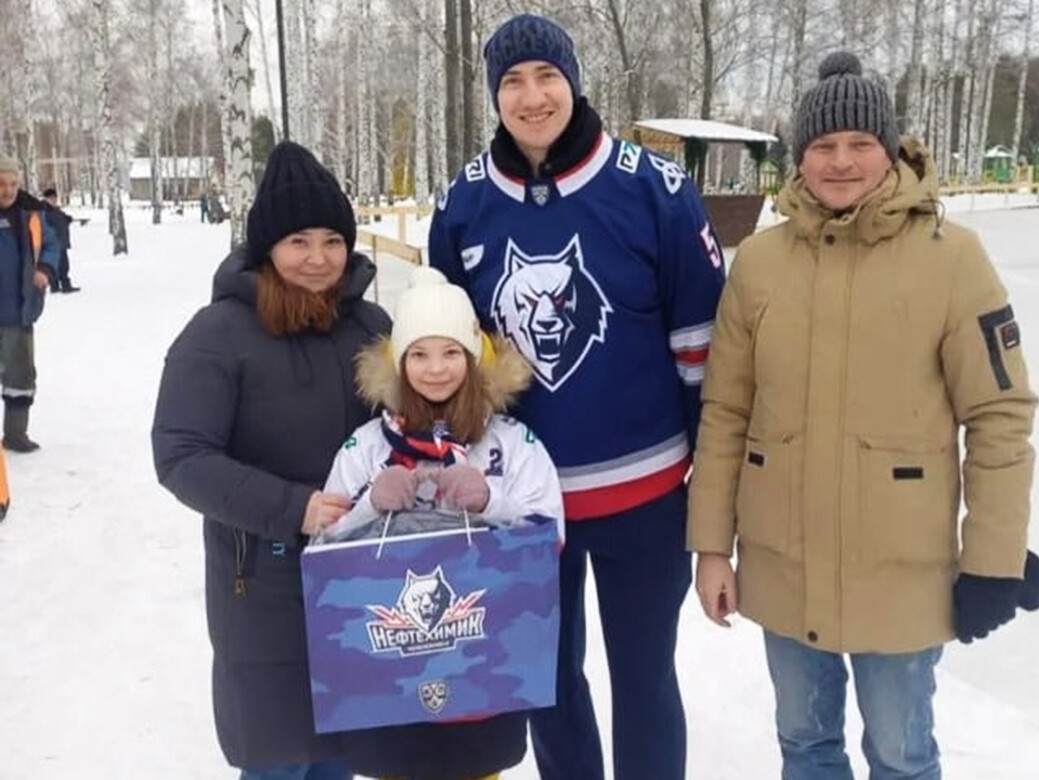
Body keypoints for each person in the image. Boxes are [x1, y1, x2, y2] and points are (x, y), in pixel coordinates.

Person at [687, 52, 1039, 780]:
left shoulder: (953, 259)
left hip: (901, 573)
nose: (841, 161)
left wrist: (993, 559)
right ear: (800, 158)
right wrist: (712, 549)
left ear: (890, 149)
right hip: (783, 565)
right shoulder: (758, 264)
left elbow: (1000, 415)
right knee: (805, 745)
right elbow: (726, 411)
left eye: (860, 143)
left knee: (900, 755)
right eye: (823, 145)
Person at [428, 14, 726, 780]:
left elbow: (705, 353)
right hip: (522, 503)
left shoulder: (653, 189)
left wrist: (712, 492)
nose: (532, 97)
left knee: (645, 680)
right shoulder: (463, 205)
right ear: (495, 96)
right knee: (549, 688)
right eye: (512, 82)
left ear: (574, 82)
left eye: (547, 77)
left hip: (646, 499)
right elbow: (444, 360)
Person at [151, 141, 391, 780]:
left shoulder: (371, 327)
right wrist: (294, 508)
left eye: (333, 241)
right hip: (262, 583)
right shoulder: (217, 334)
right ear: (267, 248)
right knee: (278, 757)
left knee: (341, 751)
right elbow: (180, 455)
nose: (318, 258)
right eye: (298, 241)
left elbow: (412, 426)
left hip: (361, 577)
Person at [318, 264, 564, 780]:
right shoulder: (366, 446)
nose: (435, 369)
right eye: (419, 354)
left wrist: (490, 499)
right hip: (388, 683)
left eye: (451, 352)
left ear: (472, 357)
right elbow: (322, 544)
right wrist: (369, 503)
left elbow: (551, 534)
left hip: (484, 673)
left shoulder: (511, 442)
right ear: (399, 361)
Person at [0, 155, 60, 453]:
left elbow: (51, 244)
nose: (8, 190)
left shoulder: (31, 213)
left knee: (19, 376)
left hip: (18, 312)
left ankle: (15, 434)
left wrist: (44, 270)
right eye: (1, 184)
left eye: (13, 183)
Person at [41, 187, 80, 293]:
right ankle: (60, 286)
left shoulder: (55, 210)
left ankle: (59, 285)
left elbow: (60, 221)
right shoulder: (44, 211)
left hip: (60, 242)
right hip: (53, 243)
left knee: (62, 265)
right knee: (60, 265)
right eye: (51, 198)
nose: (54, 200)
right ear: (46, 199)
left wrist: (67, 219)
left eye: (55, 198)